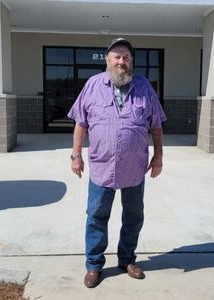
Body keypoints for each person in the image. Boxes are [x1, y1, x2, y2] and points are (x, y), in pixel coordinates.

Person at [68, 37, 167, 288]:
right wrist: (76, 155)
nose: (121, 61)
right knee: (96, 216)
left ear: (131, 61)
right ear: (107, 60)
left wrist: (158, 156)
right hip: (102, 166)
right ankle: (94, 265)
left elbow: (156, 125)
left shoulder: (145, 87)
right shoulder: (92, 85)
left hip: (134, 167)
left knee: (133, 216)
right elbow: (81, 123)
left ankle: (127, 260)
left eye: (126, 57)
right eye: (116, 56)